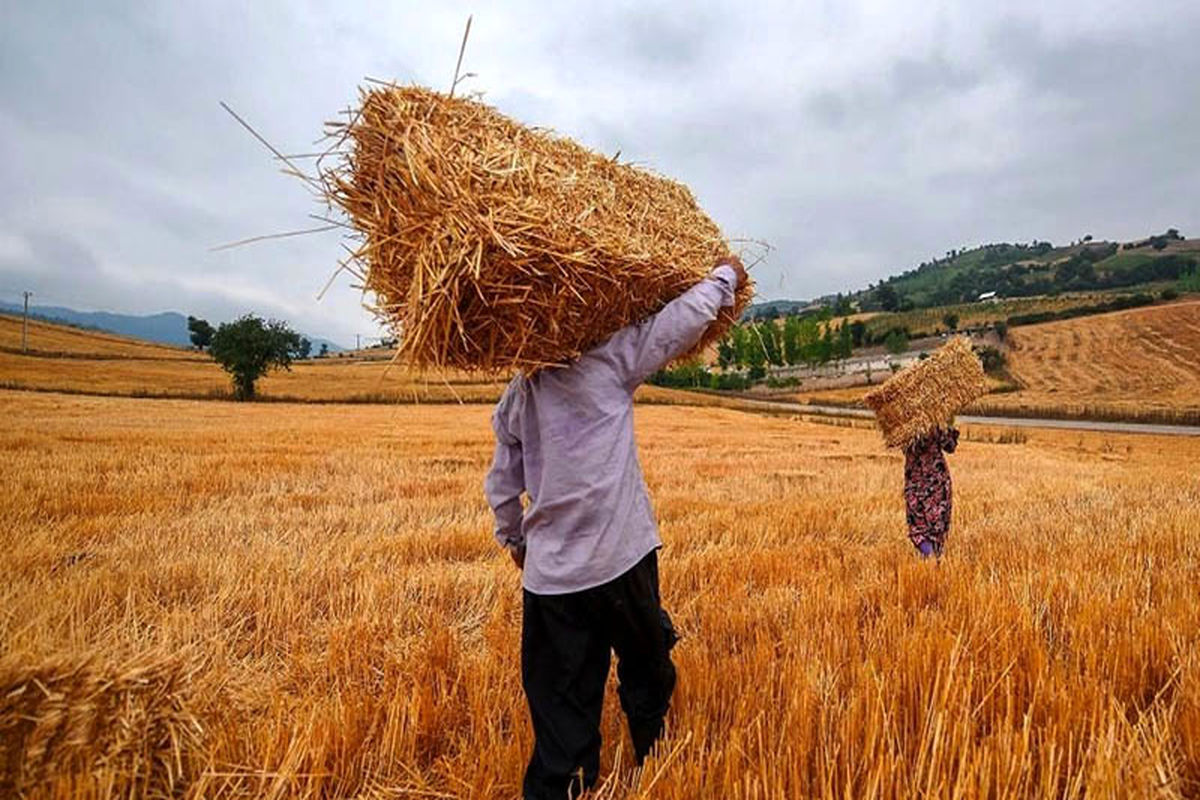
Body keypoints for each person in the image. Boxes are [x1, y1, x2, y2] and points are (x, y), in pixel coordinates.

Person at [484, 257, 747, 800]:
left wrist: (514, 541)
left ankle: (564, 787)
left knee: (562, 704)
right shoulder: (609, 361)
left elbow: (502, 486)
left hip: (554, 582)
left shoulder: (519, 393)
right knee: (647, 669)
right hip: (623, 561)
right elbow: (679, 321)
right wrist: (726, 277)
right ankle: (659, 760)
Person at [903, 425, 959, 558]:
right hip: (935, 479)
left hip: (916, 479)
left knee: (919, 525)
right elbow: (950, 446)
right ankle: (932, 559)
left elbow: (898, 442)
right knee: (935, 525)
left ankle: (930, 562)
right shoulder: (934, 417)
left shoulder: (903, 420)